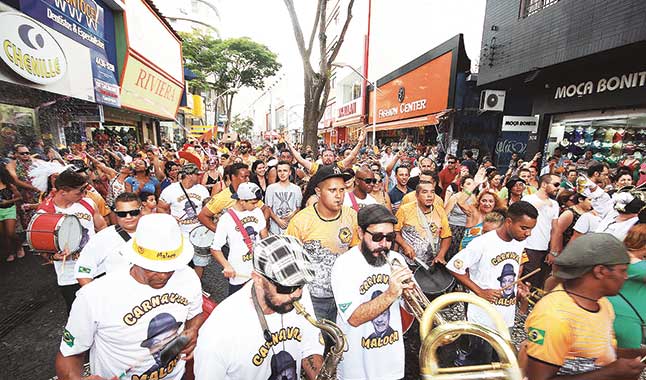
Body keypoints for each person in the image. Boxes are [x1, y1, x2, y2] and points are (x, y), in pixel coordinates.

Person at [55, 214, 203, 380]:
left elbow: (195, 314)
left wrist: (193, 330)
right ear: (135, 258)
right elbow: (70, 355)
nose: (163, 275)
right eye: (152, 268)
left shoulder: (189, 277)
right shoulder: (94, 296)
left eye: (171, 267)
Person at [194, 235, 324, 379]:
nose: (296, 294)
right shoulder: (219, 331)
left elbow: (310, 346)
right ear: (258, 279)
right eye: (285, 287)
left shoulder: (295, 295)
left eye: (301, 284)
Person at [524, 233, 646, 379]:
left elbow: (598, 352)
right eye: (623, 271)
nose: (625, 277)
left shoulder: (602, 304)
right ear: (600, 271)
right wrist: (611, 372)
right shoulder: (553, 316)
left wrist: (637, 354)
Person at [447, 201, 537, 365]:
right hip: (483, 317)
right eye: (524, 228)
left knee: (501, 362)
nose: (528, 233)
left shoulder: (519, 243)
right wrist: (480, 291)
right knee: (480, 364)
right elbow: (454, 267)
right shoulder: (482, 243)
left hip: (506, 316)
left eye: (531, 229)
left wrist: (519, 285)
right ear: (509, 222)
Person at [331, 204, 411, 380]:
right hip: (357, 366)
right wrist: (390, 294)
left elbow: (409, 311)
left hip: (391, 362)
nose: (384, 244)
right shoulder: (345, 265)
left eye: (390, 237)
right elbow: (354, 318)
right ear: (360, 233)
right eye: (377, 237)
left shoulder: (396, 260)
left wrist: (409, 295)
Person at [286, 165, 358, 324]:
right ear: (318, 192)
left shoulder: (352, 217)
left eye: (342, 190)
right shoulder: (301, 221)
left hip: (344, 295)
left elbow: (355, 254)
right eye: (332, 190)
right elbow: (290, 262)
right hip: (313, 299)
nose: (339, 196)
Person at [37, 169, 107, 312]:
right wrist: (53, 256)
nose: (83, 194)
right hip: (70, 276)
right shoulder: (45, 213)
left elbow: (102, 228)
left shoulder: (87, 203)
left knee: (105, 309)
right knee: (79, 313)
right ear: (63, 192)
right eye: (79, 192)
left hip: (98, 269)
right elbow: (42, 249)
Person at [211, 182, 268, 296]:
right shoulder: (226, 219)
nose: (256, 205)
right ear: (242, 201)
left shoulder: (257, 212)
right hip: (238, 272)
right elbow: (215, 248)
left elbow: (264, 234)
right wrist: (227, 266)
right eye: (253, 203)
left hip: (258, 269)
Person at [75, 192, 141, 286]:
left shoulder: (155, 233)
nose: (128, 217)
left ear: (141, 210)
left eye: (134, 212)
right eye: (122, 214)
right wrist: (95, 297)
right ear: (115, 213)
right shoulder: (103, 238)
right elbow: (83, 269)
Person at [157, 163, 210, 278]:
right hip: (180, 233)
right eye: (197, 174)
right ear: (190, 175)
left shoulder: (202, 190)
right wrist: (170, 217)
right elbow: (160, 208)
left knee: (200, 263)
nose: (199, 177)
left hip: (199, 232)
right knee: (180, 262)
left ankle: (197, 284)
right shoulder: (171, 190)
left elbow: (208, 208)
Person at [520, 174, 561, 303]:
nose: (558, 188)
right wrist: (543, 204)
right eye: (555, 184)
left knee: (537, 283)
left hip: (544, 248)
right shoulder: (528, 199)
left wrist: (553, 251)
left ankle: (527, 312)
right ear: (544, 184)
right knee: (526, 281)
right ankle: (520, 311)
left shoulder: (554, 204)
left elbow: (555, 229)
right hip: (528, 246)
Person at [608, 225, 646, 350]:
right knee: (630, 361)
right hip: (629, 321)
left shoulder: (620, 257)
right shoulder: (638, 267)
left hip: (618, 315)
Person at [198, 162, 268, 232]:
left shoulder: (250, 193)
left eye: (248, 176)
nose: (248, 180)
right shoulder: (221, 197)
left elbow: (266, 209)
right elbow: (202, 216)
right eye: (244, 177)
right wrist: (222, 233)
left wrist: (261, 226)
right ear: (233, 177)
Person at [395, 182, 452, 265]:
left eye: (432, 192)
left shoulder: (440, 211)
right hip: (408, 262)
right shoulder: (405, 210)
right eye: (425, 192)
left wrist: (441, 255)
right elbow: (395, 231)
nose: (429, 195)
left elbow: (447, 236)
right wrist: (405, 246)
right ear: (417, 196)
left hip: (431, 263)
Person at [264, 161, 302, 235]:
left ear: (290, 172)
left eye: (285, 170)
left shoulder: (296, 189)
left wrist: (290, 217)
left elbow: (299, 207)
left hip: (291, 227)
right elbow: (268, 207)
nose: (282, 173)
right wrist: (278, 220)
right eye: (279, 171)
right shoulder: (271, 188)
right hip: (274, 229)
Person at [0, 162, 21, 262]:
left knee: (10, 233)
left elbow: (19, 197)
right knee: (3, 234)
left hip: (9, 209)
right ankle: (11, 252)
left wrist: (7, 201)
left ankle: (19, 246)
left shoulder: (8, 185)